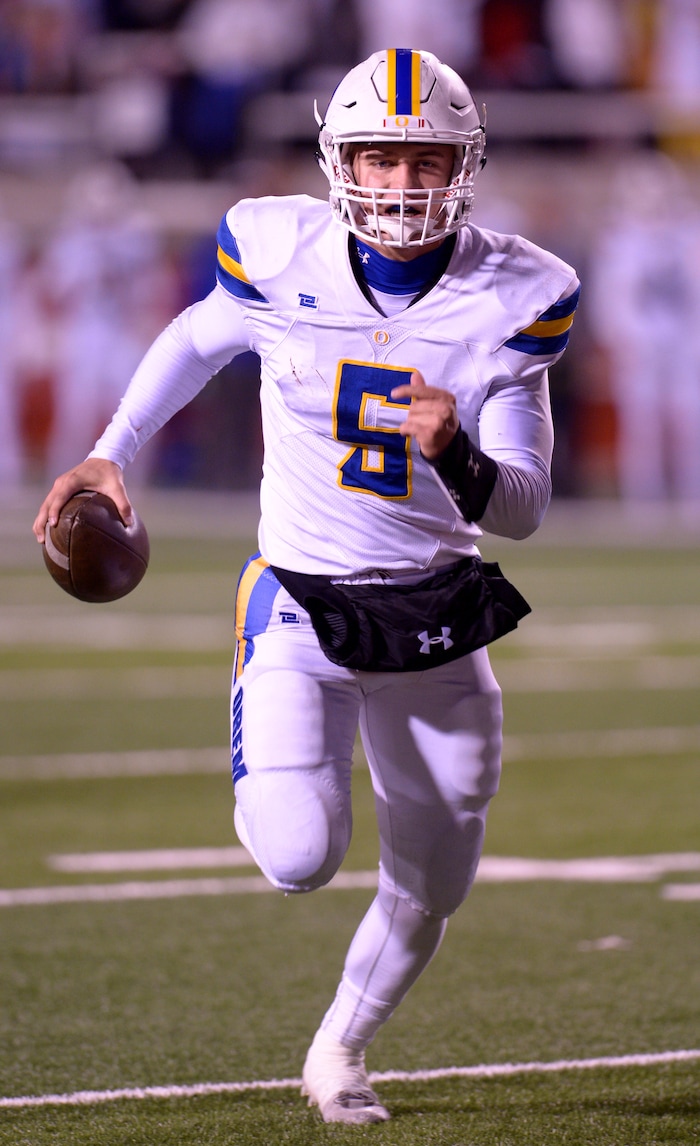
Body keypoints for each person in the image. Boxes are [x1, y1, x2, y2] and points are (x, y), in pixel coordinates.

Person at [34, 48, 580, 1124]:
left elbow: (520, 505)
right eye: (376, 156)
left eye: (422, 162)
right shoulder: (279, 249)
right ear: (337, 160)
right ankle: (254, 681)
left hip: (434, 609)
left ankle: (339, 1049)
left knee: (437, 877)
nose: (396, 184)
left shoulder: (519, 290)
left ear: (462, 167)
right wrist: (113, 449)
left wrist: (460, 454)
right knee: (295, 853)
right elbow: (199, 336)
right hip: (300, 594)